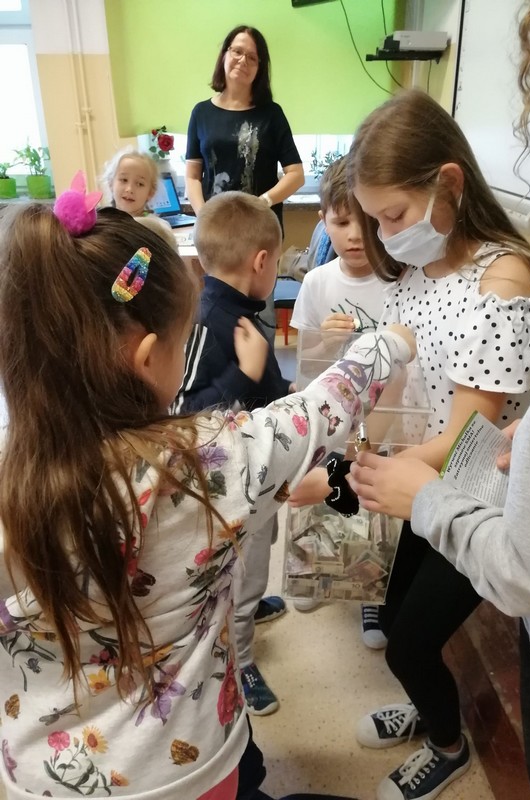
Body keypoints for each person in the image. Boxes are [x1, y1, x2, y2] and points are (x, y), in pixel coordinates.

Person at [0, 195, 415, 799]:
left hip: (37, 777)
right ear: (147, 359)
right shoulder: (205, 463)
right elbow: (322, 407)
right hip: (184, 771)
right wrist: (390, 343)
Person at [348, 2, 530, 799]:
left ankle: (448, 740)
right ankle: (430, 704)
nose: (386, 235)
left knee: (410, 641)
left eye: (393, 216)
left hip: (482, 495)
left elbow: (468, 438)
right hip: (436, 483)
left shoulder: (503, 284)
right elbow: (409, 364)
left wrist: (363, 475)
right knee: (400, 627)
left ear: (447, 184)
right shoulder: (428, 267)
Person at [172, 191, 291, 716]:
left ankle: (250, 603)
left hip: (258, 464)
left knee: (259, 558)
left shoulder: (242, 308)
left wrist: (280, 389)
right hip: (230, 482)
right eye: (278, 262)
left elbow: (264, 377)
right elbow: (183, 412)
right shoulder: (205, 320)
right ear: (261, 262)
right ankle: (240, 662)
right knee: (243, 572)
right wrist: (243, 373)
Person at [288, 156, 389, 649]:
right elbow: (304, 359)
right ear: (323, 221)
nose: (354, 235)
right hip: (330, 413)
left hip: (382, 416)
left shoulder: (400, 279)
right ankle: (317, 574)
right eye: (342, 221)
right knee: (325, 495)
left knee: (369, 502)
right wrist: (323, 341)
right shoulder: (317, 282)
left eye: (366, 222)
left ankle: (371, 591)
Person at [185, 24, 305, 340]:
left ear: (260, 68)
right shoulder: (201, 113)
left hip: (259, 234)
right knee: (217, 314)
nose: (243, 60)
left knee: (260, 317)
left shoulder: (272, 114)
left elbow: (296, 175)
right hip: (217, 234)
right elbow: (193, 176)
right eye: (237, 51)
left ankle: (262, 372)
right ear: (224, 55)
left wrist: (261, 203)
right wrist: (204, 216)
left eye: (252, 57)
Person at [102, 146, 162, 219]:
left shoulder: (154, 224)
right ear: (111, 183)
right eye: (124, 180)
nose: (129, 189)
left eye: (140, 184)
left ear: (150, 193)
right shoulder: (101, 221)